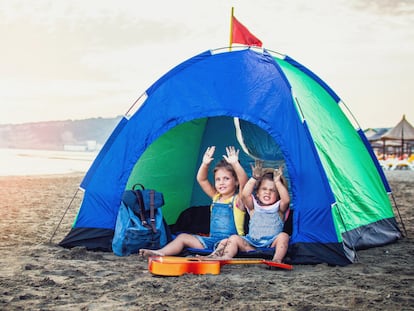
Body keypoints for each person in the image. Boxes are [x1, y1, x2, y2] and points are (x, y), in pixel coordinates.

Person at [139, 146, 248, 257]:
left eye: (226, 178)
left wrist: (235, 164)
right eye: (218, 179)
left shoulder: (238, 199)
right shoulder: (216, 197)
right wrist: (205, 164)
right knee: (182, 237)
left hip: (230, 243)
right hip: (211, 241)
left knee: (227, 242)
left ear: (236, 182)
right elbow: (202, 179)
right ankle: (160, 252)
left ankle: (217, 257)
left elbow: (244, 181)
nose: (221, 182)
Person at [201, 160, 290, 263]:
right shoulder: (253, 207)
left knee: (284, 236)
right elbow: (245, 194)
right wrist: (254, 178)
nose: (267, 192)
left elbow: (286, 200)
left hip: (271, 245)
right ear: (257, 193)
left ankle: (277, 259)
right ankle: (225, 257)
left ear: (278, 194)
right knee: (233, 238)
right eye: (264, 189)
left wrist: (278, 182)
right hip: (251, 245)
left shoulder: (279, 209)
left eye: (272, 190)